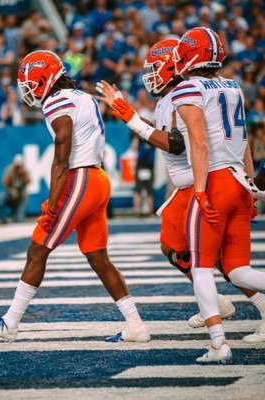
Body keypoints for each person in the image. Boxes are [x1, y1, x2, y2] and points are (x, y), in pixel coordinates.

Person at [0, 50, 150, 343]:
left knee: (38, 249)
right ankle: (136, 324)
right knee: (98, 257)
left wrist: (53, 202)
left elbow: (61, 158)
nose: (27, 90)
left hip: (79, 179)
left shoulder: (57, 101)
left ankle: (10, 323)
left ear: (44, 80)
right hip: (96, 178)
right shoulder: (81, 96)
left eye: (30, 83)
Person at [96, 38, 265, 345]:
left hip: (200, 183)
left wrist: (129, 116)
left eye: (155, 67)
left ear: (174, 64)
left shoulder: (185, 93)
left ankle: (227, 317)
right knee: (180, 250)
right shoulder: (186, 94)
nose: (149, 74)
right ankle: (217, 305)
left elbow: (177, 143)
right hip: (211, 181)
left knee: (217, 260)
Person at [170, 27, 265, 363]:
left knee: (200, 268)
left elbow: (199, 143)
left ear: (192, 55)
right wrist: (252, 187)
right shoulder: (233, 85)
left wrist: (198, 191)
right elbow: (246, 146)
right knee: (238, 269)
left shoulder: (188, 88)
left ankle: (217, 344)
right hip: (240, 182)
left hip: (215, 181)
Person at [0, 154, 30, 223]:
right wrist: (11, 173)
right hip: (10, 194)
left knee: (19, 220)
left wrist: (23, 174)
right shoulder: (9, 169)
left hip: (21, 196)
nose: (18, 167)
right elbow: (4, 182)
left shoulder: (25, 170)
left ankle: (18, 216)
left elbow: (29, 182)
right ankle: (3, 219)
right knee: (0, 198)